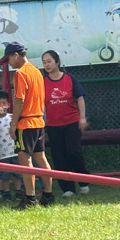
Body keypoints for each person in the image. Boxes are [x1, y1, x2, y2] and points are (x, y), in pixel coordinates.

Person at [1, 42, 54, 209]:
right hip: (38, 120)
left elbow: (19, 100)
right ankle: (48, 194)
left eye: (9, 58)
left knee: (25, 159)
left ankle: (30, 198)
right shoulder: (37, 72)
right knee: (41, 157)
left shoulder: (20, 73)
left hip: (25, 123)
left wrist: (13, 124)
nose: (9, 62)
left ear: (16, 55)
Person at [41, 49, 90, 197]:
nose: (47, 65)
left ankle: (83, 181)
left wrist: (82, 118)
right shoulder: (42, 82)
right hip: (53, 125)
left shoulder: (69, 78)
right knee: (59, 156)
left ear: (57, 62)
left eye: (49, 61)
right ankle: (68, 188)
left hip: (71, 122)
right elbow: (41, 103)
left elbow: (80, 97)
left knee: (73, 152)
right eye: (44, 62)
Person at [0, 90, 22, 201]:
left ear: (8, 104)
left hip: (14, 151)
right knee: (4, 175)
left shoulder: (13, 118)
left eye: (4, 103)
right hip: (1, 154)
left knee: (17, 173)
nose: (1, 106)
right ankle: (5, 192)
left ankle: (18, 192)